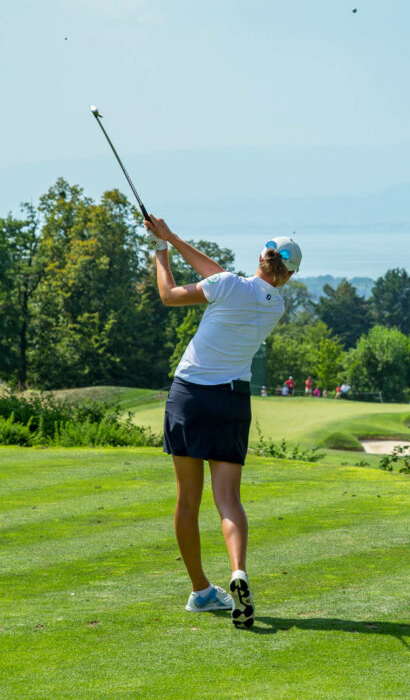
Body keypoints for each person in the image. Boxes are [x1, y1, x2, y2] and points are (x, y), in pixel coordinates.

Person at [146, 214, 301, 630]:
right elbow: (217, 275)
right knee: (228, 500)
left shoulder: (228, 284)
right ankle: (238, 571)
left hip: (188, 397)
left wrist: (161, 249)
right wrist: (173, 236)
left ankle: (200, 590)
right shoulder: (276, 304)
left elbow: (170, 294)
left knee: (187, 501)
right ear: (286, 276)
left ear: (260, 258)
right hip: (232, 401)